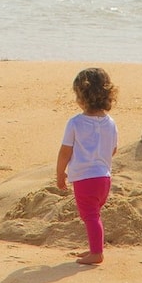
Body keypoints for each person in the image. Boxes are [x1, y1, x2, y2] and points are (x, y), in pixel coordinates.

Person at [56, 68, 119, 265]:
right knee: (94, 214)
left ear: (81, 96)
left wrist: (60, 174)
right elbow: (113, 149)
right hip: (104, 177)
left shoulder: (75, 122)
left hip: (85, 178)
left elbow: (65, 151)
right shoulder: (110, 123)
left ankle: (97, 253)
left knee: (90, 216)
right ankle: (94, 248)